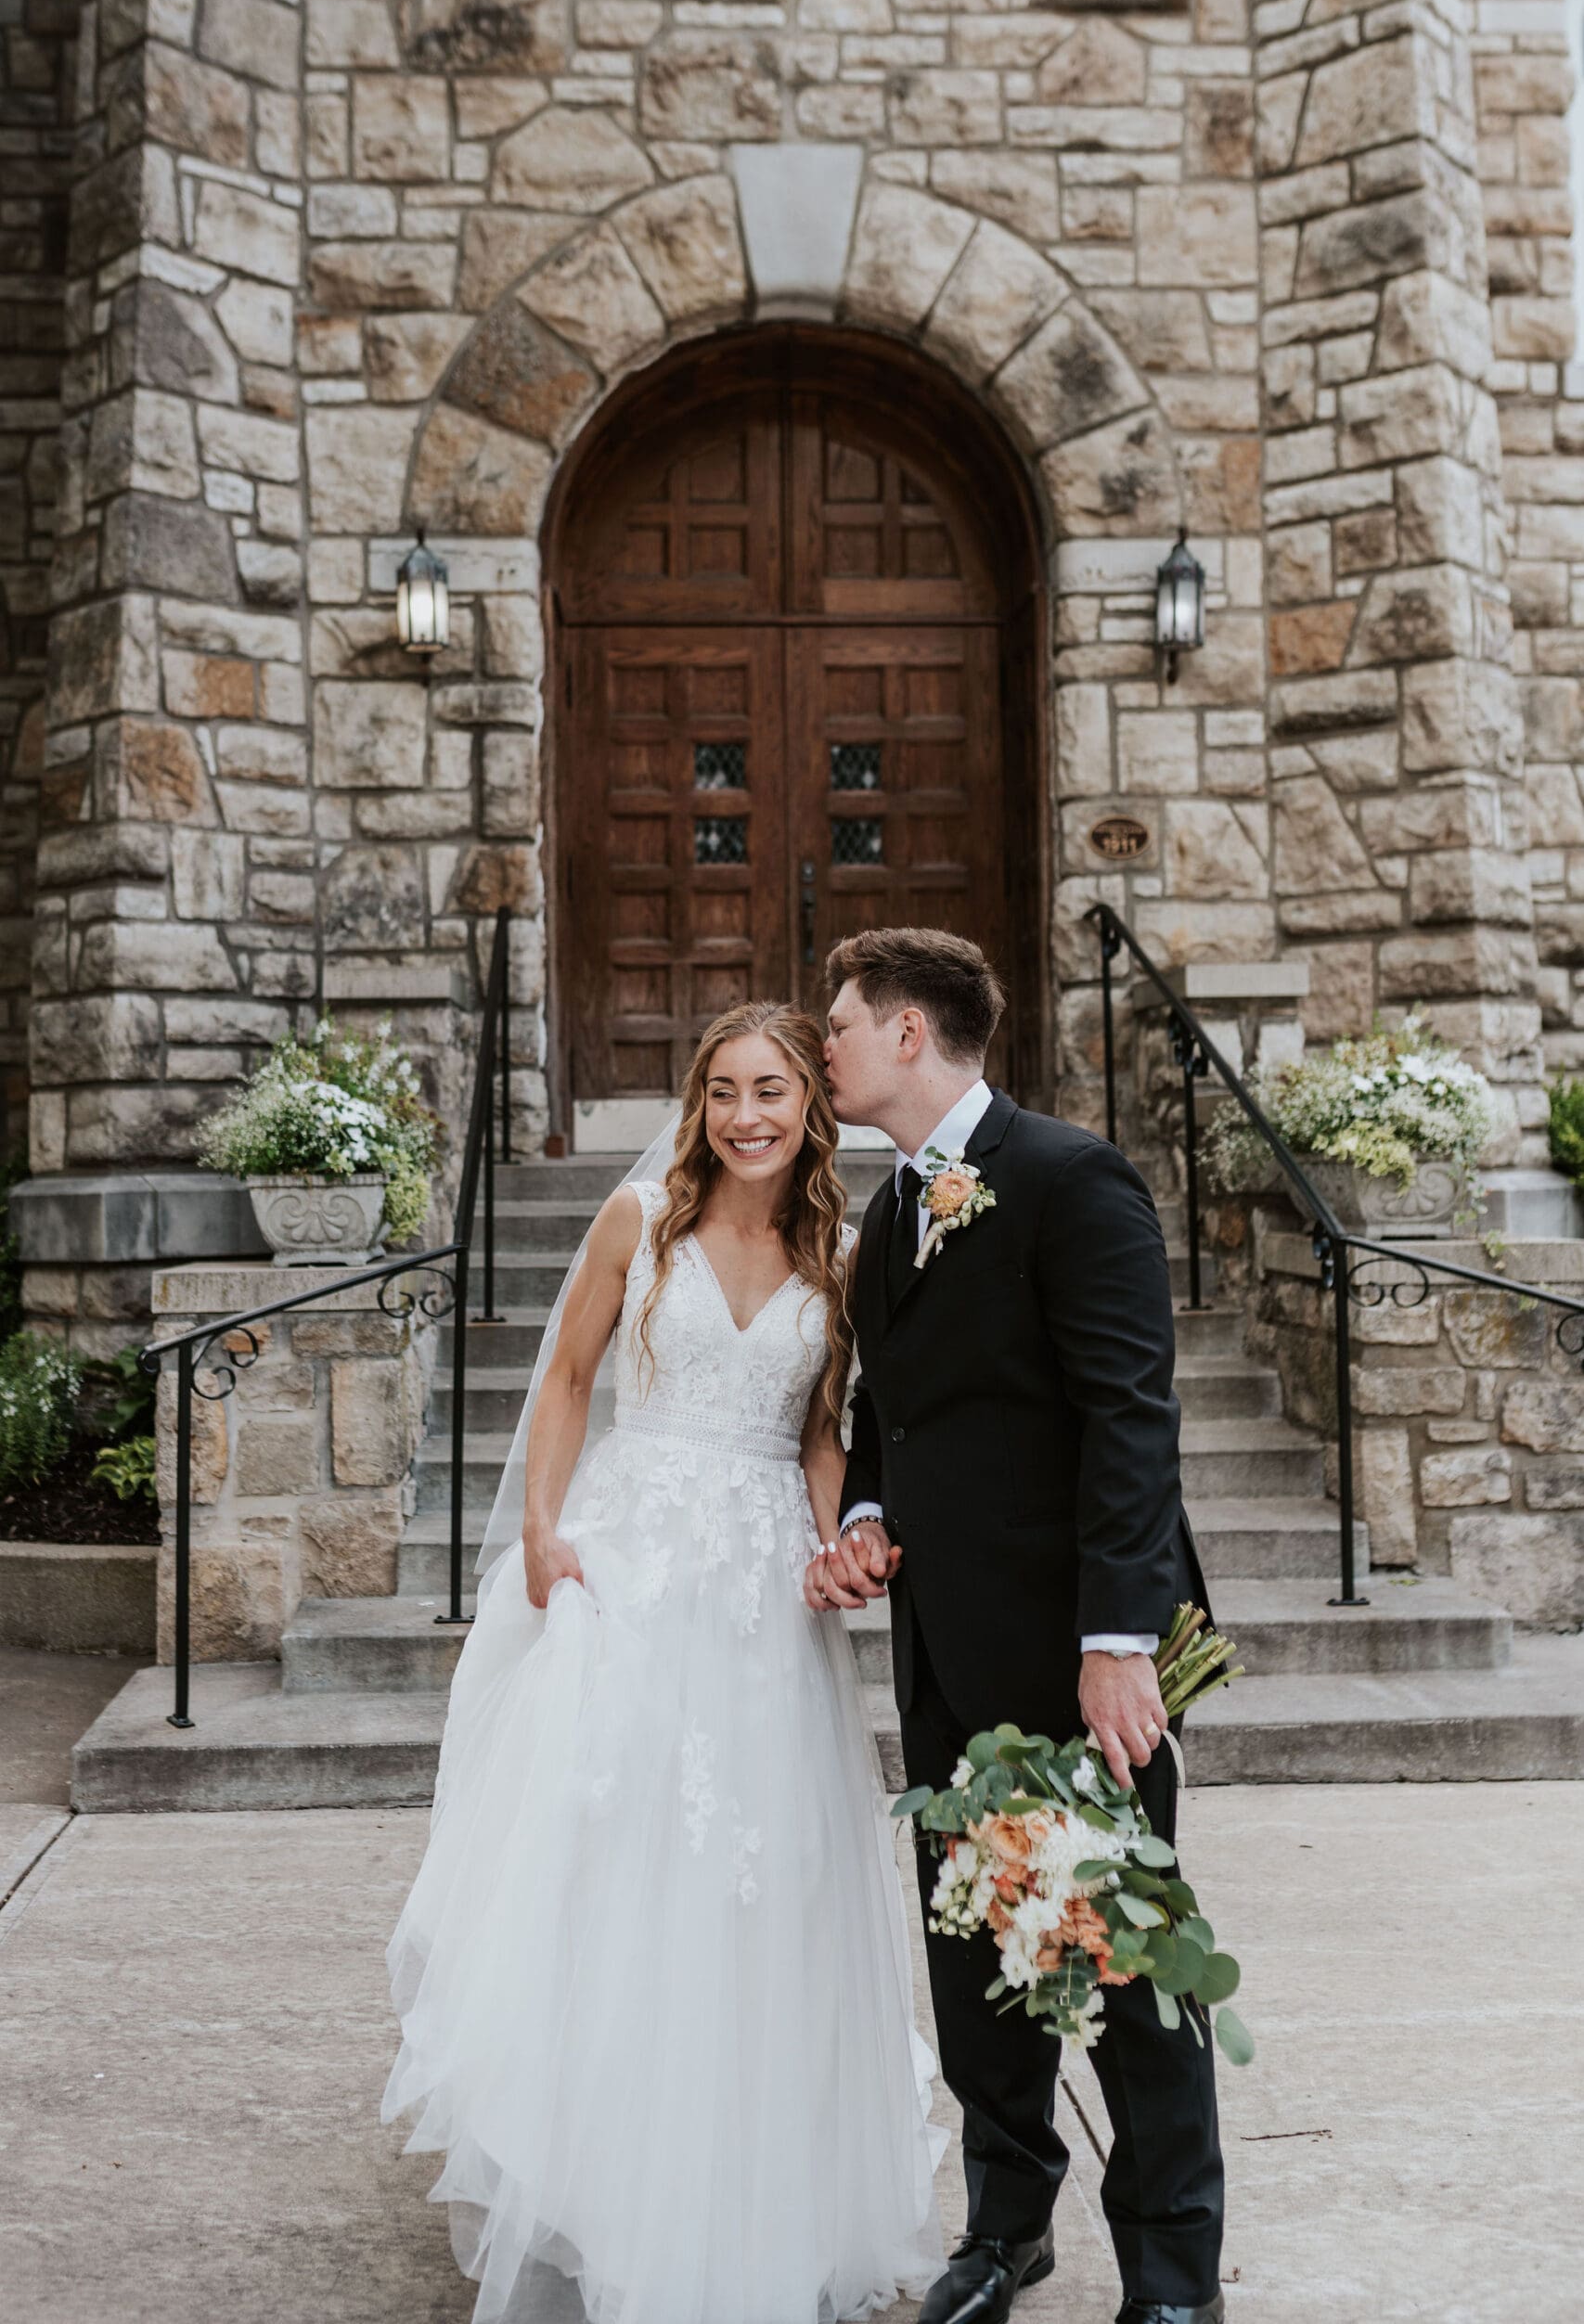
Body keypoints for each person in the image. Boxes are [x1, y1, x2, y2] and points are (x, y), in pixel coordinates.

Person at [381, 999, 944, 2324]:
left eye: (775, 1093)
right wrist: (539, 1532)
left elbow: (822, 1429)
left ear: (812, 1108)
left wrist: (831, 1545)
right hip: (633, 1559)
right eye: (727, 1093)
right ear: (697, 1106)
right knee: (617, 1861)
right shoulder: (640, 1225)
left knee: (765, 1877)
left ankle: (749, 2175)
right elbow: (570, 1378)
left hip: (763, 1589)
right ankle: (597, 2172)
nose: (749, 1117)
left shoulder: (841, 1251)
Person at [817, 927, 1225, 2324]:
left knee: (1117, 1955)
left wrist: (1119, 1640)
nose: (828, 1050)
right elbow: (890, 1412)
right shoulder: (886, 1214)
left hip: (1075, 1659)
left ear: (911, 1035)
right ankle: (1005, 2232)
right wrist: (864, 1511)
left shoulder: (1070, 1179)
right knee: (980, 1959)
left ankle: (1174, 2278)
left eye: (842, 1027)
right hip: (942, 1649)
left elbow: (1131, 1416)